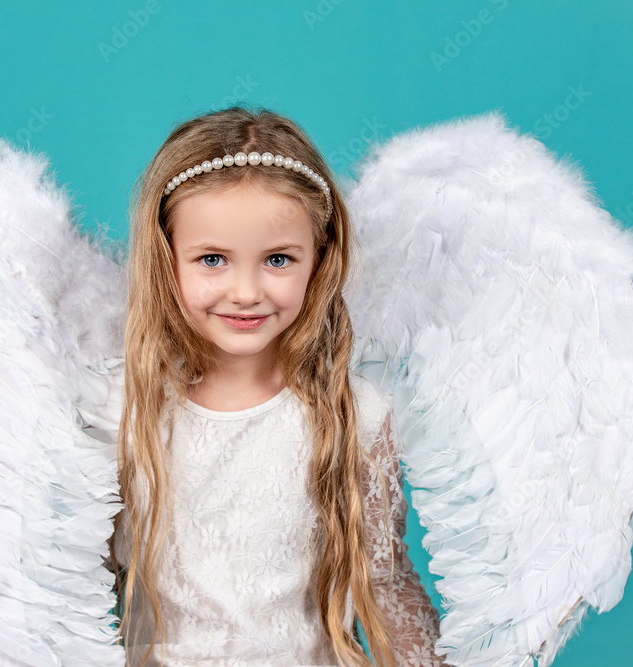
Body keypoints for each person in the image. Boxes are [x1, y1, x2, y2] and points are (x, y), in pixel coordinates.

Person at [112, 106, 446, 666]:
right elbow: (63, 591)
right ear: (165, 260)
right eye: (212, 259)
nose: (245, 291)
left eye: (277, 259)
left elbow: (385, 584)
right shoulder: (121, 413)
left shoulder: (357, 414)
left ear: (318, 262)